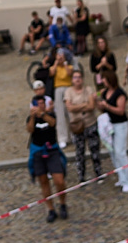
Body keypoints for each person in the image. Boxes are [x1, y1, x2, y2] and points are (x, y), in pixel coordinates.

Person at [27, 82, 70, 221]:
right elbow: (30, 130)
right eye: (38, 104)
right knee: (44, 182)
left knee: (59, 181)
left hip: (52, 151)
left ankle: (62, 203)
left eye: (42, 103)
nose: (40, 105)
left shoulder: (50, 114)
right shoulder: (31, 117)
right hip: (39, 152)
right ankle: (50, 209)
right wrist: (34, 116)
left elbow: (52, 123)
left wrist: (43, 114)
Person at [61, 67, 102, 185]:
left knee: (95, 150)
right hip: (77, 126)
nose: (77, 80)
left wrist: (78, 106)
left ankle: (98, 173)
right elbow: (69, 108)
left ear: (82, 79)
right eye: (75, 77)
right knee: (79, 153)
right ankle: (81, 176)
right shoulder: (68, 92)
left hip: (90, 124)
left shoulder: (88, 89)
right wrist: (84, 105)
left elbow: (91, 106)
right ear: (72, 79)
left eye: (79, 77)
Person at [96, 67, 128, 193]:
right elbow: (103, 109)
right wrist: (100, 105)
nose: (102, 81)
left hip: (120, 124)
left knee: (120, 152)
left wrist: (107, 106)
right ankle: (121, 177)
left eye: (104, 79)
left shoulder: (120, 93)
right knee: (113, 152)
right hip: (110, 125)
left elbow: (120, 111)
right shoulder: (105, 92)